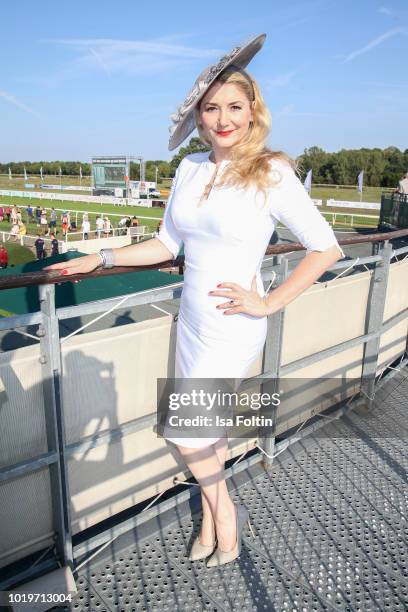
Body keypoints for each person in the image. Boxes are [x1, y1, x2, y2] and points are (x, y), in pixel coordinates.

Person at [44, 34, 344, 568]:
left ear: (253, 112)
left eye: (235, 106)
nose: (223, 118)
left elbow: (327, 247)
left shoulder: (271, 170)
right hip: (193, 323)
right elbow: (167, 244)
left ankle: (225, 516)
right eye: (212, 108)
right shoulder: (190, 169)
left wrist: (270, 302)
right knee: (210, 432)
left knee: (186, 433)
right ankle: (211, 518)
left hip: (233, 323)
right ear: (200, 117)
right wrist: (103, 258)